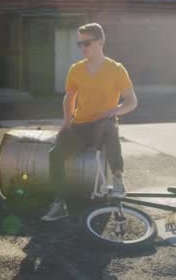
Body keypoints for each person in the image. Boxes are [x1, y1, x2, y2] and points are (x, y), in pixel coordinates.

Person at [41, 23, 138, 222]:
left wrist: (116, 110)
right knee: (55, 154)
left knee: (110, 125)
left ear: (100, 42)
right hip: (80, 126)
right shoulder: (76, 70)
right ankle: (59, 203)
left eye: (87, 43)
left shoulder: (116, 69)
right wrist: (67, 122)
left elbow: (132, 101)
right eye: (79, 44)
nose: (82, 47)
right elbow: (69, 98)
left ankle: (118, 178)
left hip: (102, 127)